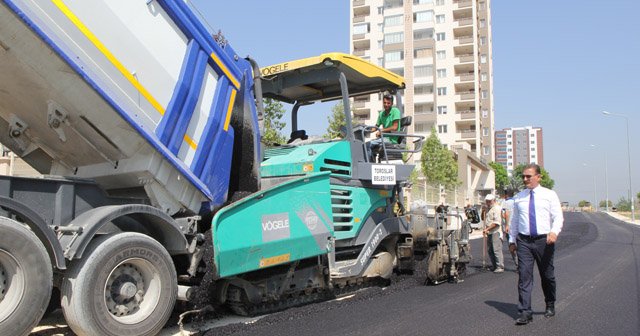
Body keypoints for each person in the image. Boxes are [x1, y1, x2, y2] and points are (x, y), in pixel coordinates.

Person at [509, 163, 563, 325]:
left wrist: (554, 232)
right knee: (524, 276)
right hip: (524, 241)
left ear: (538, 177)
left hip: (544, 241)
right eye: (523, 176)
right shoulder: (519, 197)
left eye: (529, 176)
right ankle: (525, 311)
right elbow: (515, 221)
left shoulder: (549, 195)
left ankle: (550, 303)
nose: (525, 179)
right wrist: (512, 240)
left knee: (547, 275)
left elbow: (558, 217)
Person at [367, 93, 401, 162]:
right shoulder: (381, 114)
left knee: (368, 144)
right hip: (384, 138)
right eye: (384, 103)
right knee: (368, 145)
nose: (386, 105)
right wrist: (367, 131)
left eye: (388, 103)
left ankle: (370, 164)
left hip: (391, 139)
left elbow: (395, 127)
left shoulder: (395, 111)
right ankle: (372, 162)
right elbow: (376, 127)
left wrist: (381, 131)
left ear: (392, 103)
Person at [483, 194, 504, 273]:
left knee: (496, 249)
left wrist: (487, 229)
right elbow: (483, 218)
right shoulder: (488, 209)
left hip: (496, 231)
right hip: (489, 232)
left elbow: (496, 223)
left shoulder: (497, 209)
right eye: (487, 201)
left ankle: (500, 266)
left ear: (494, 200)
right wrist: (483, 211)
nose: (488, 203)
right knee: (490, 250)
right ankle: (494, 265)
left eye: (489, 201)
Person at [502, 189, 518, 267]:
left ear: (506, 195)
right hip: (517, 227)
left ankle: (518, 264)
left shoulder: (505, 202)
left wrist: (506, 225)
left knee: (512, 247)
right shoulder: (516, 201)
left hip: (510, 228)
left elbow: (505, 214)